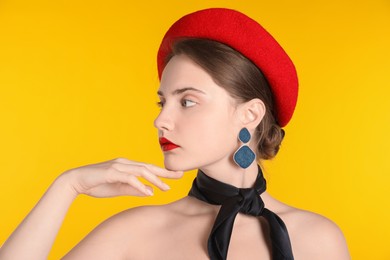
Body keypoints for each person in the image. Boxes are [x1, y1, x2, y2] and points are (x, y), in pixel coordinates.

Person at [0, 8, 350, 260]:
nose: (161, 121)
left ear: (250, 114)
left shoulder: (318, 239)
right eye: (162, 102)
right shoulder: (135, 232)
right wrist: (68, 186)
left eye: (187, 101)